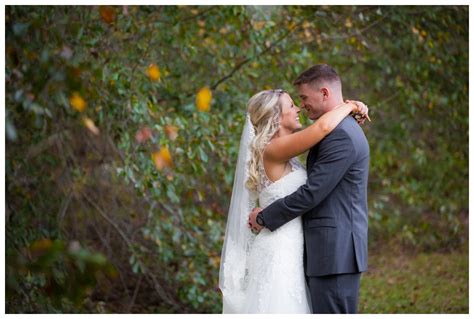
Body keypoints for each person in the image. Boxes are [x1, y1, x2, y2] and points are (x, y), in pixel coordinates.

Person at [219, 81, 369, 313]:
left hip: (294, 246)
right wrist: (350, 106)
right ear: (276, 117)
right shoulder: (275, 148)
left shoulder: (284, 153)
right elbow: (321, 129)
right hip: (279, 248)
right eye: (291, 104)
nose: (298, 108)